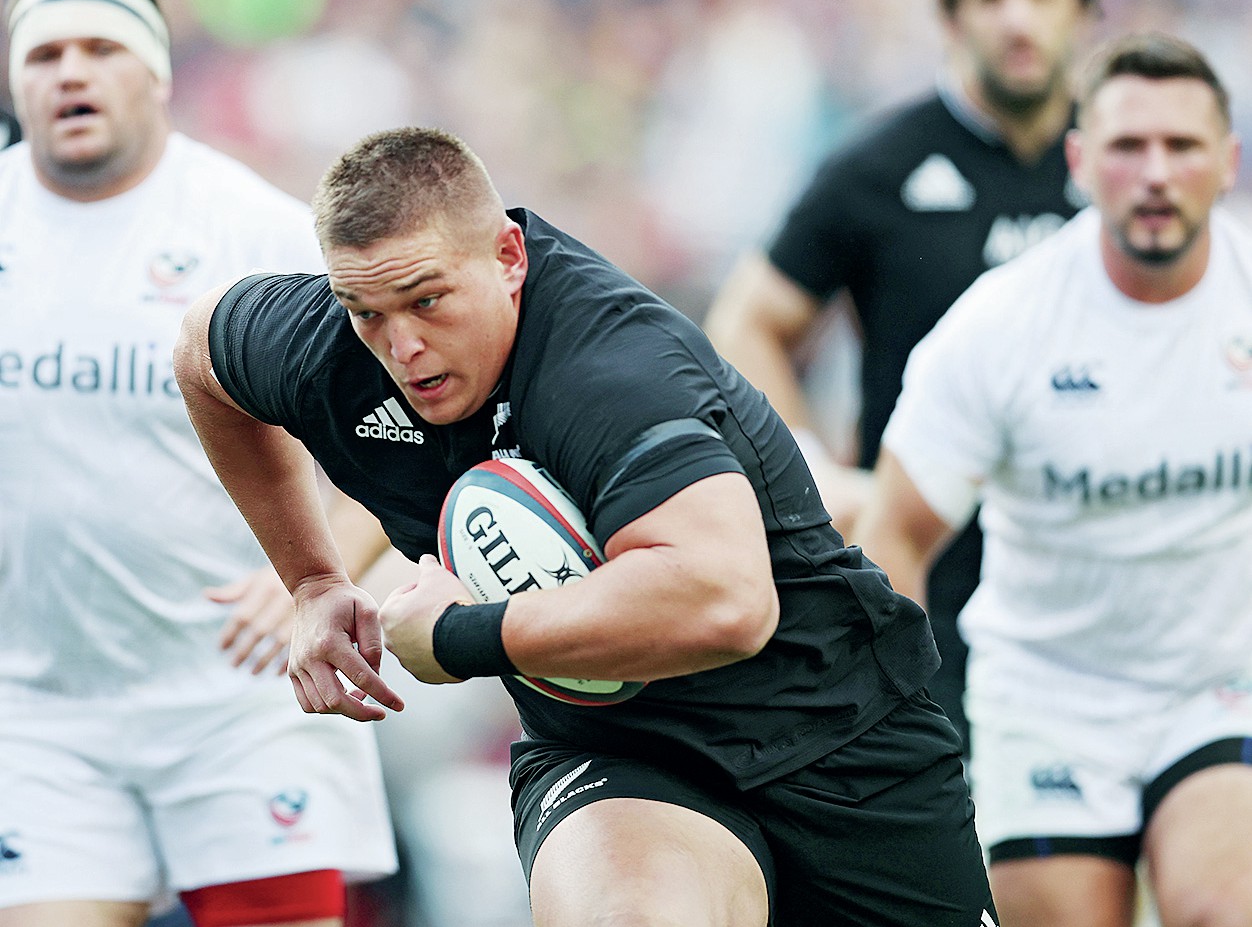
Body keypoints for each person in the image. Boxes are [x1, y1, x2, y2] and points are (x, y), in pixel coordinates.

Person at [173, 125, 998, 927]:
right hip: (619, 752)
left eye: (427, 300)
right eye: (365, 311)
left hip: (837, 733)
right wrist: (313, 580)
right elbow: (200, 354)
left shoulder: (610, 369)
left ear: (508, 256)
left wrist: (458, 636)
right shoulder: (330, 344)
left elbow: (729, 601)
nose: (403, 346)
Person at [0, 0, 396, 926]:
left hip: (241, 695)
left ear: (158, 73)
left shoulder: (257, 234)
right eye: (44, 53)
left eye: (102, 47)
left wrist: (319, 570)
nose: (71, 71)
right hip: (38, 709)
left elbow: (400, 428)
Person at [852, 32, 1252, 927]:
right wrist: (909, 730)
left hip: (1218, 682)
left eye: (1183, 145)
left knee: (1223, 907)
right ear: (1079, 161)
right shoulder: (1002, 324)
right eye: (1128, 146)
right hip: (1047, 697)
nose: (1156, 173)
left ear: (1228, 161)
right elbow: (896, 535)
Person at [702, 0, 1097, 752]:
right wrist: (815, 477)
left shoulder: (1128, 165)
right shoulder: (880, 165)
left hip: (1093, 566)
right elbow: (745, 321)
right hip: (928, 573)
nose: (1018, 19)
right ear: (950, 18)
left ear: (1083, 10)